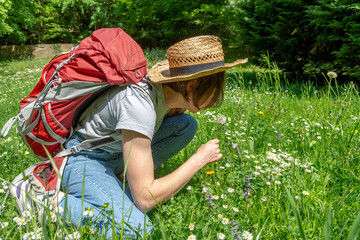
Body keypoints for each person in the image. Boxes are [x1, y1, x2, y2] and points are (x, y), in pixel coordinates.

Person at [51, 35, 247, 238]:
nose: (218, 96)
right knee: (136, 228)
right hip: (84, 159)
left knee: (185, 125)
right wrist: (198, 160)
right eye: (215, 88)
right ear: (192, 86)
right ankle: (44, 200)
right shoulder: (139, 105)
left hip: (115, 153)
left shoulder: (163, 95)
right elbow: (145, 200)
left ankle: (124, 183)